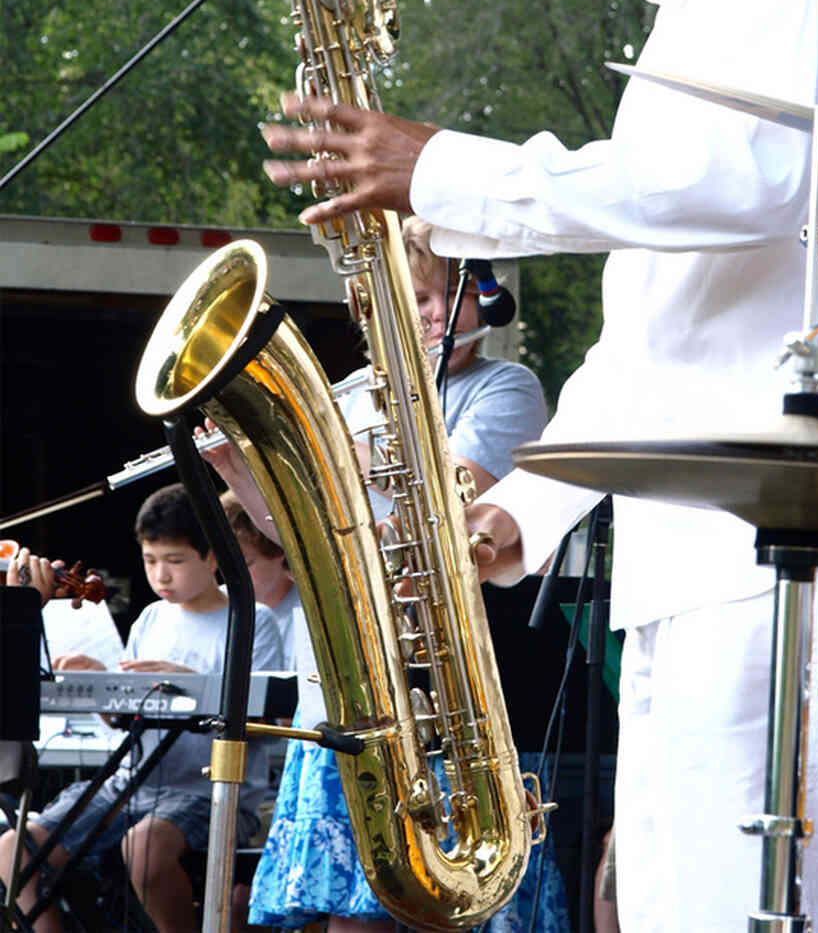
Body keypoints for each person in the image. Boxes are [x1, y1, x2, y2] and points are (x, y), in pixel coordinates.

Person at [258, 0, 818, 933]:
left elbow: (756, 180)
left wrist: (448, 170)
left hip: (800, 548)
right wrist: (517, 513)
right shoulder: (693, 9)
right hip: (704, 556)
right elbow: (651, 339)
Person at [208, 216, 570, 931]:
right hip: (347, 690)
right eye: (411, 304)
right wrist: (239, 465)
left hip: (442, 704)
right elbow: (295, 533)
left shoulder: (506, 386)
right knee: (348, 919)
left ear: (484, 301)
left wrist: (334, 442)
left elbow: (451, 494)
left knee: (451, 908)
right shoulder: (348, 394)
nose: (429, 317)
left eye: (440, 299)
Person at [0, 484, 284, 933]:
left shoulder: (252, 618)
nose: (161, 576)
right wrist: (99, 676)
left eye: (174, 561)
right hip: (129, 783)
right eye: (150, 561)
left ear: (213, 556)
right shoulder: (151, 617)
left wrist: (189, 683)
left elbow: (265, 719)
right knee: (13, 852)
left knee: (145, 848)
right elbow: (129, 713)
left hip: (212, 793)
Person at [220, 488, 300, 665]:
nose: (230, 575)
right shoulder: (213, 606)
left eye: (245, 564)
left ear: (279, 551)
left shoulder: (307, 617)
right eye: (224, 563)